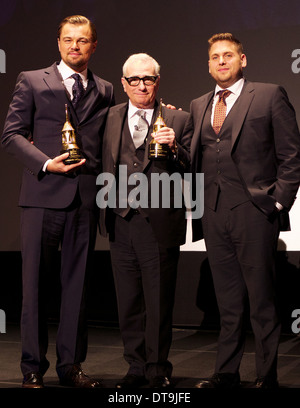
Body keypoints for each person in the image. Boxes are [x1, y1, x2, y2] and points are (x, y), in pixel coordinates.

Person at [1, 15, 114, 388]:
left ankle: (71, 366)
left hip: (84, 198)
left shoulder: (107, 88)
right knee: (33, 285)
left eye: (82, 41)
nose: (74, 46)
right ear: (59, 43)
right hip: (41, 196)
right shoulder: (32, 79)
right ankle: (32, 366)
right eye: (68, 40)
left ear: (93, 46)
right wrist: (46, 164)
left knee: (78, 286)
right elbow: (12, 135)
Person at [189, 33, 300, 389]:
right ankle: (226, 372)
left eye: (228, 55)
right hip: (215, 212)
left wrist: (279, 200)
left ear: (243, 60)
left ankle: (265, 376)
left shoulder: (268, 94)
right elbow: (197, 155)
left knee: (262, 300)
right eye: (215, 57)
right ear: (208, 64)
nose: (221, 61)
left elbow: (291, 155)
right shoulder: (198, 104)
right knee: (228, 300)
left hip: (255, 210)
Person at [99, 53, 192, 388]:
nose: (141, 85)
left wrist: (176, 147)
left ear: (157, 81)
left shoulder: (179, 120)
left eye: (148, 78)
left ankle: (157, 367)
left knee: (158, 300)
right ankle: (135, 366)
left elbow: (195, 165)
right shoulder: (109, 117)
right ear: (124, 84)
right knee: (129, 301)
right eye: (134, 79)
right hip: (120, 220)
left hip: (160, 222)